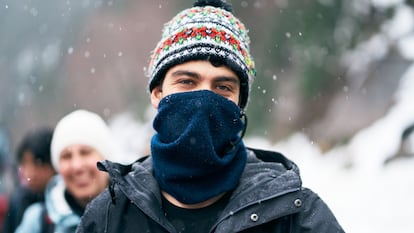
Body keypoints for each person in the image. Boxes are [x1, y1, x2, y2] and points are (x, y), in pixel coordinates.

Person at [77, 1, 345, 232]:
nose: (204, 100)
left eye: (223, 87)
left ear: (240, 104)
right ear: (157, 94)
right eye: (187, 82)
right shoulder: (108, 217)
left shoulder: (296, 216)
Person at [15, 109, 115, 233]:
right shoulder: (39, 222)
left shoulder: (135, 209)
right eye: (66, 156)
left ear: (106, 158)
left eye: (85, 152)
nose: (77, 166)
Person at [1, 127, 55, 233]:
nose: (30, 173)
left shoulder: (66, 203)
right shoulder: (19, 201)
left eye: (38, 163)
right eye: (25, 163)